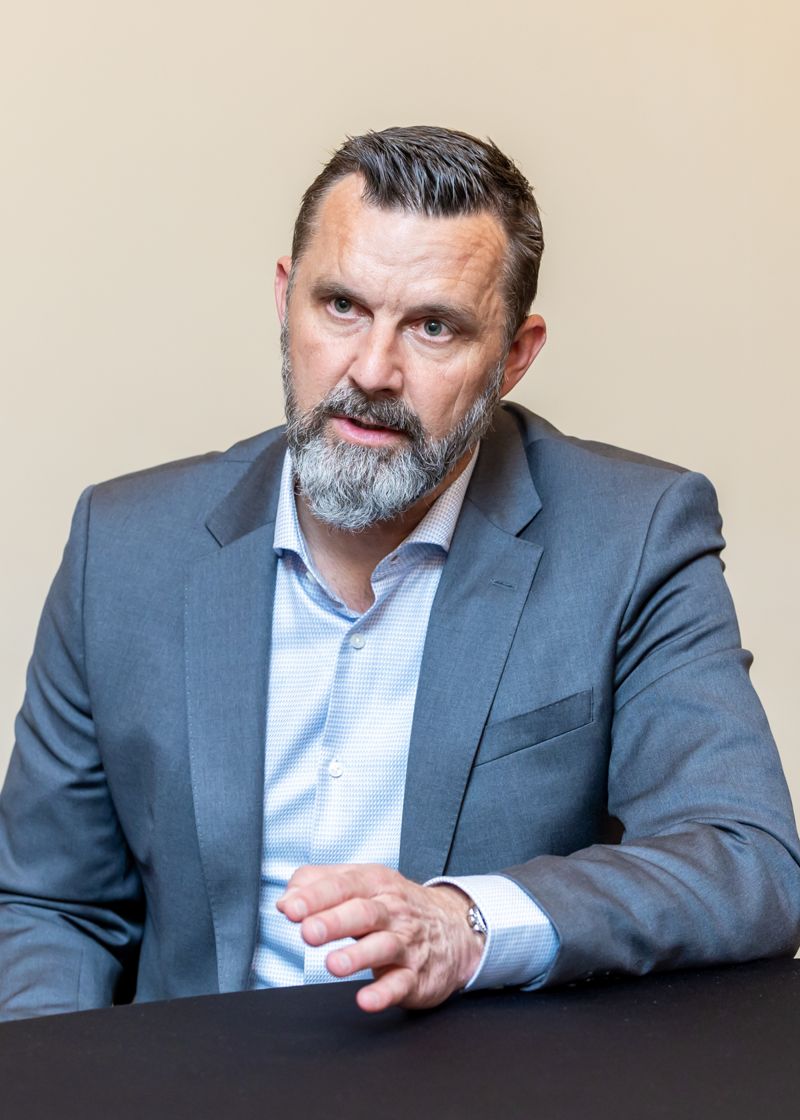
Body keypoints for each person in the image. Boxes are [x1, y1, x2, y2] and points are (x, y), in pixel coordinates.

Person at [1, 126, 798, 1023]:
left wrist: (466, 924)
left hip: (481, 1084)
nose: (373, 371)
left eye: (433, 326)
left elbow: (747, 861)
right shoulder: (124, 547)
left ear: (515, 354)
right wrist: (53, 1081)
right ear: (284, 299)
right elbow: (51, 907)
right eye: (341, 306)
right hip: (194, 1080)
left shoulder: (634, 537)